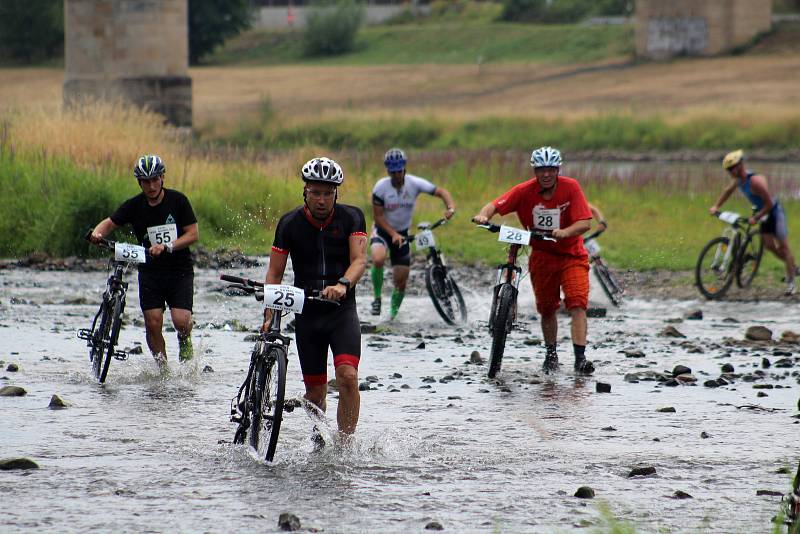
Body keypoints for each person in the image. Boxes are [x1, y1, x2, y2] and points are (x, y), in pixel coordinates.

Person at [263, 157, 367, 436]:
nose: (321, 200)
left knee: (347, 377)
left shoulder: (352, 217)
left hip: (341, 311)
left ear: (336, 194)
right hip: (307, 313)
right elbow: (274, 273)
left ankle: (345, 446)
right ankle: (320, 437)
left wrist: (343, 284)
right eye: (315, 193)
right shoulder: (289, 223)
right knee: (315, 393)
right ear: (305, 192)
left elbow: (359, 261)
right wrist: (269, 314)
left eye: (328, 193)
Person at [473, 146, 595, 375]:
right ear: (535, 171)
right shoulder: (523, 191)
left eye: (550, 170)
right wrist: (484, 216)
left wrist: (566, 232)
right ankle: (551, 354)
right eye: (541, 170)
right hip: (541, 255)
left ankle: (580, 358)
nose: (546, 174)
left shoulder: (571, 187)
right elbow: (495, 205)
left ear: (557, 170)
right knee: (547, 308)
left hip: (571, 254)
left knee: (577, 303)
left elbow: (585, 222)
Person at [90, 154, 199, 367]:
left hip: (179, 270)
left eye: (155, 180)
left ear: (162, 178)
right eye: (146, 182)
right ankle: (163, 369)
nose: (151, 186)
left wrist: (167, 246)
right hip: (150, 272)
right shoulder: (134, 205)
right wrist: (97, 233)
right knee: (153, 322)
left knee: (181, 322)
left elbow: (193, 234)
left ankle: (185, 339)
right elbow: (110, 223)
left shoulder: (178, 201)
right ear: (139, 183)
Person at [370, 148, 456, 319]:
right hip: (383, 231)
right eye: (392, 172)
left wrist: (450, 207)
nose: (396, 176)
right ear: (388, 171)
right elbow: (378, 217)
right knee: (378, 259)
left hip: (403, 234)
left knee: (401, 282)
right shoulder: (380, 188)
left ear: (404, 169)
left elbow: (441, 192)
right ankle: (377, 298)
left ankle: (392, 316)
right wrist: (393, 234)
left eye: (399, 172)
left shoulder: (414, 183)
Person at [711, 149, 797, 295]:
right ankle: (793, 266)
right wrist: (716, 206)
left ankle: (791, 282)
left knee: (784, 247)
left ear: (739, 166)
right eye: (728, 170)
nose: (730, 172)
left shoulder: (755, 182)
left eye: (731, 169)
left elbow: (769, 204)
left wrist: (755, 218)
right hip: (763, 214)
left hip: (774, 213)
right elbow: (727, 191)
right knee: (769, 246)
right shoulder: (738, 181)